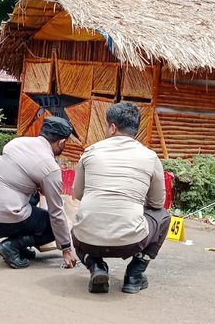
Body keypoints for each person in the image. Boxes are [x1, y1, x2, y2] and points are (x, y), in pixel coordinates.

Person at [72, 102, 171, 294]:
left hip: (88, 240)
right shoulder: (150, 157)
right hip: (131, 241)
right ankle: (134, 275)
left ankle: (96, 267)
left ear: (113, 127)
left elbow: (78, 194)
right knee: (164, 217)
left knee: (77, 224)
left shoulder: (90, 152)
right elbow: (157, 203)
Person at [0, 117, 78, 269]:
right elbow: (56, 212)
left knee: (32, 196)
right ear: (61, 142)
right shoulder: (50, 168)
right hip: (1, 216)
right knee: (51, 225)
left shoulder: (16, 143)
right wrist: (66, 248)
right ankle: (12, 246)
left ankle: (19, 246)